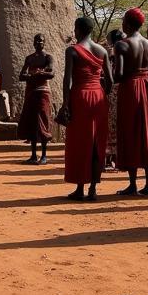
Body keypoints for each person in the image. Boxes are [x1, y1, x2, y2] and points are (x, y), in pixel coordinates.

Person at [61, 17, 113, 202]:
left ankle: (80, 187)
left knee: (80, 142)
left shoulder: (72, 50)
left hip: (80, 97)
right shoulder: (102, 51)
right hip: (98, 98)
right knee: (96, 141)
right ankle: (93, 188)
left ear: (78, 30)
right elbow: (110, 81)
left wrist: (65, 104)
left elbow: (67, 80)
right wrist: (101, 92)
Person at [113, 8, 148, 196]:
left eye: (124, 20)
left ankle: (132, 184)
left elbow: (119, 75)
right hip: (147, 88)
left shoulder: (121, 45)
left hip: (130, 89)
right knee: (146, 131)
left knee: (130, 132)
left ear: (128, 23)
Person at [17, 33, 54, 164]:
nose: (39, 43)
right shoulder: (29, 58)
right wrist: (32, 76)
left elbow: (51, 73)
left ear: (44, 43)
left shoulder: (48, 57)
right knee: (32, 122)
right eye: (37, 41)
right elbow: (21, 76)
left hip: (43, 92)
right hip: (31, 92)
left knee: (43, 121)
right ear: (33, 43)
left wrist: (39, 73)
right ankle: (33, 155)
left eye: (41, 41)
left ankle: (44, 155)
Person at [103, 28, 122, 169]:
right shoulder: (125, 50)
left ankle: (110, 158)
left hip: (113, 90)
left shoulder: (114, 52)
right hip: (123, 90)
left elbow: (112, 73)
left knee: (112, 124)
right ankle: (116, 157)